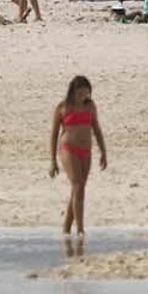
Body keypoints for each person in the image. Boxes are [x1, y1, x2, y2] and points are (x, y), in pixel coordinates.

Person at [49, 75, 107, 236]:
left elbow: (96, 129)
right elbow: (54, 134)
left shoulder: (90, 106)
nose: (83, 97)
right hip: (68, 149)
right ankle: (80, 229)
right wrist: (53, 161)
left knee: (78, 190)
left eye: (86, 94)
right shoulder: (62, 107)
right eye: (80, 94)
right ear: (73, 92)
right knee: (78, 186)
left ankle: (66, 228)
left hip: (86, 151)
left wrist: (103, 152)